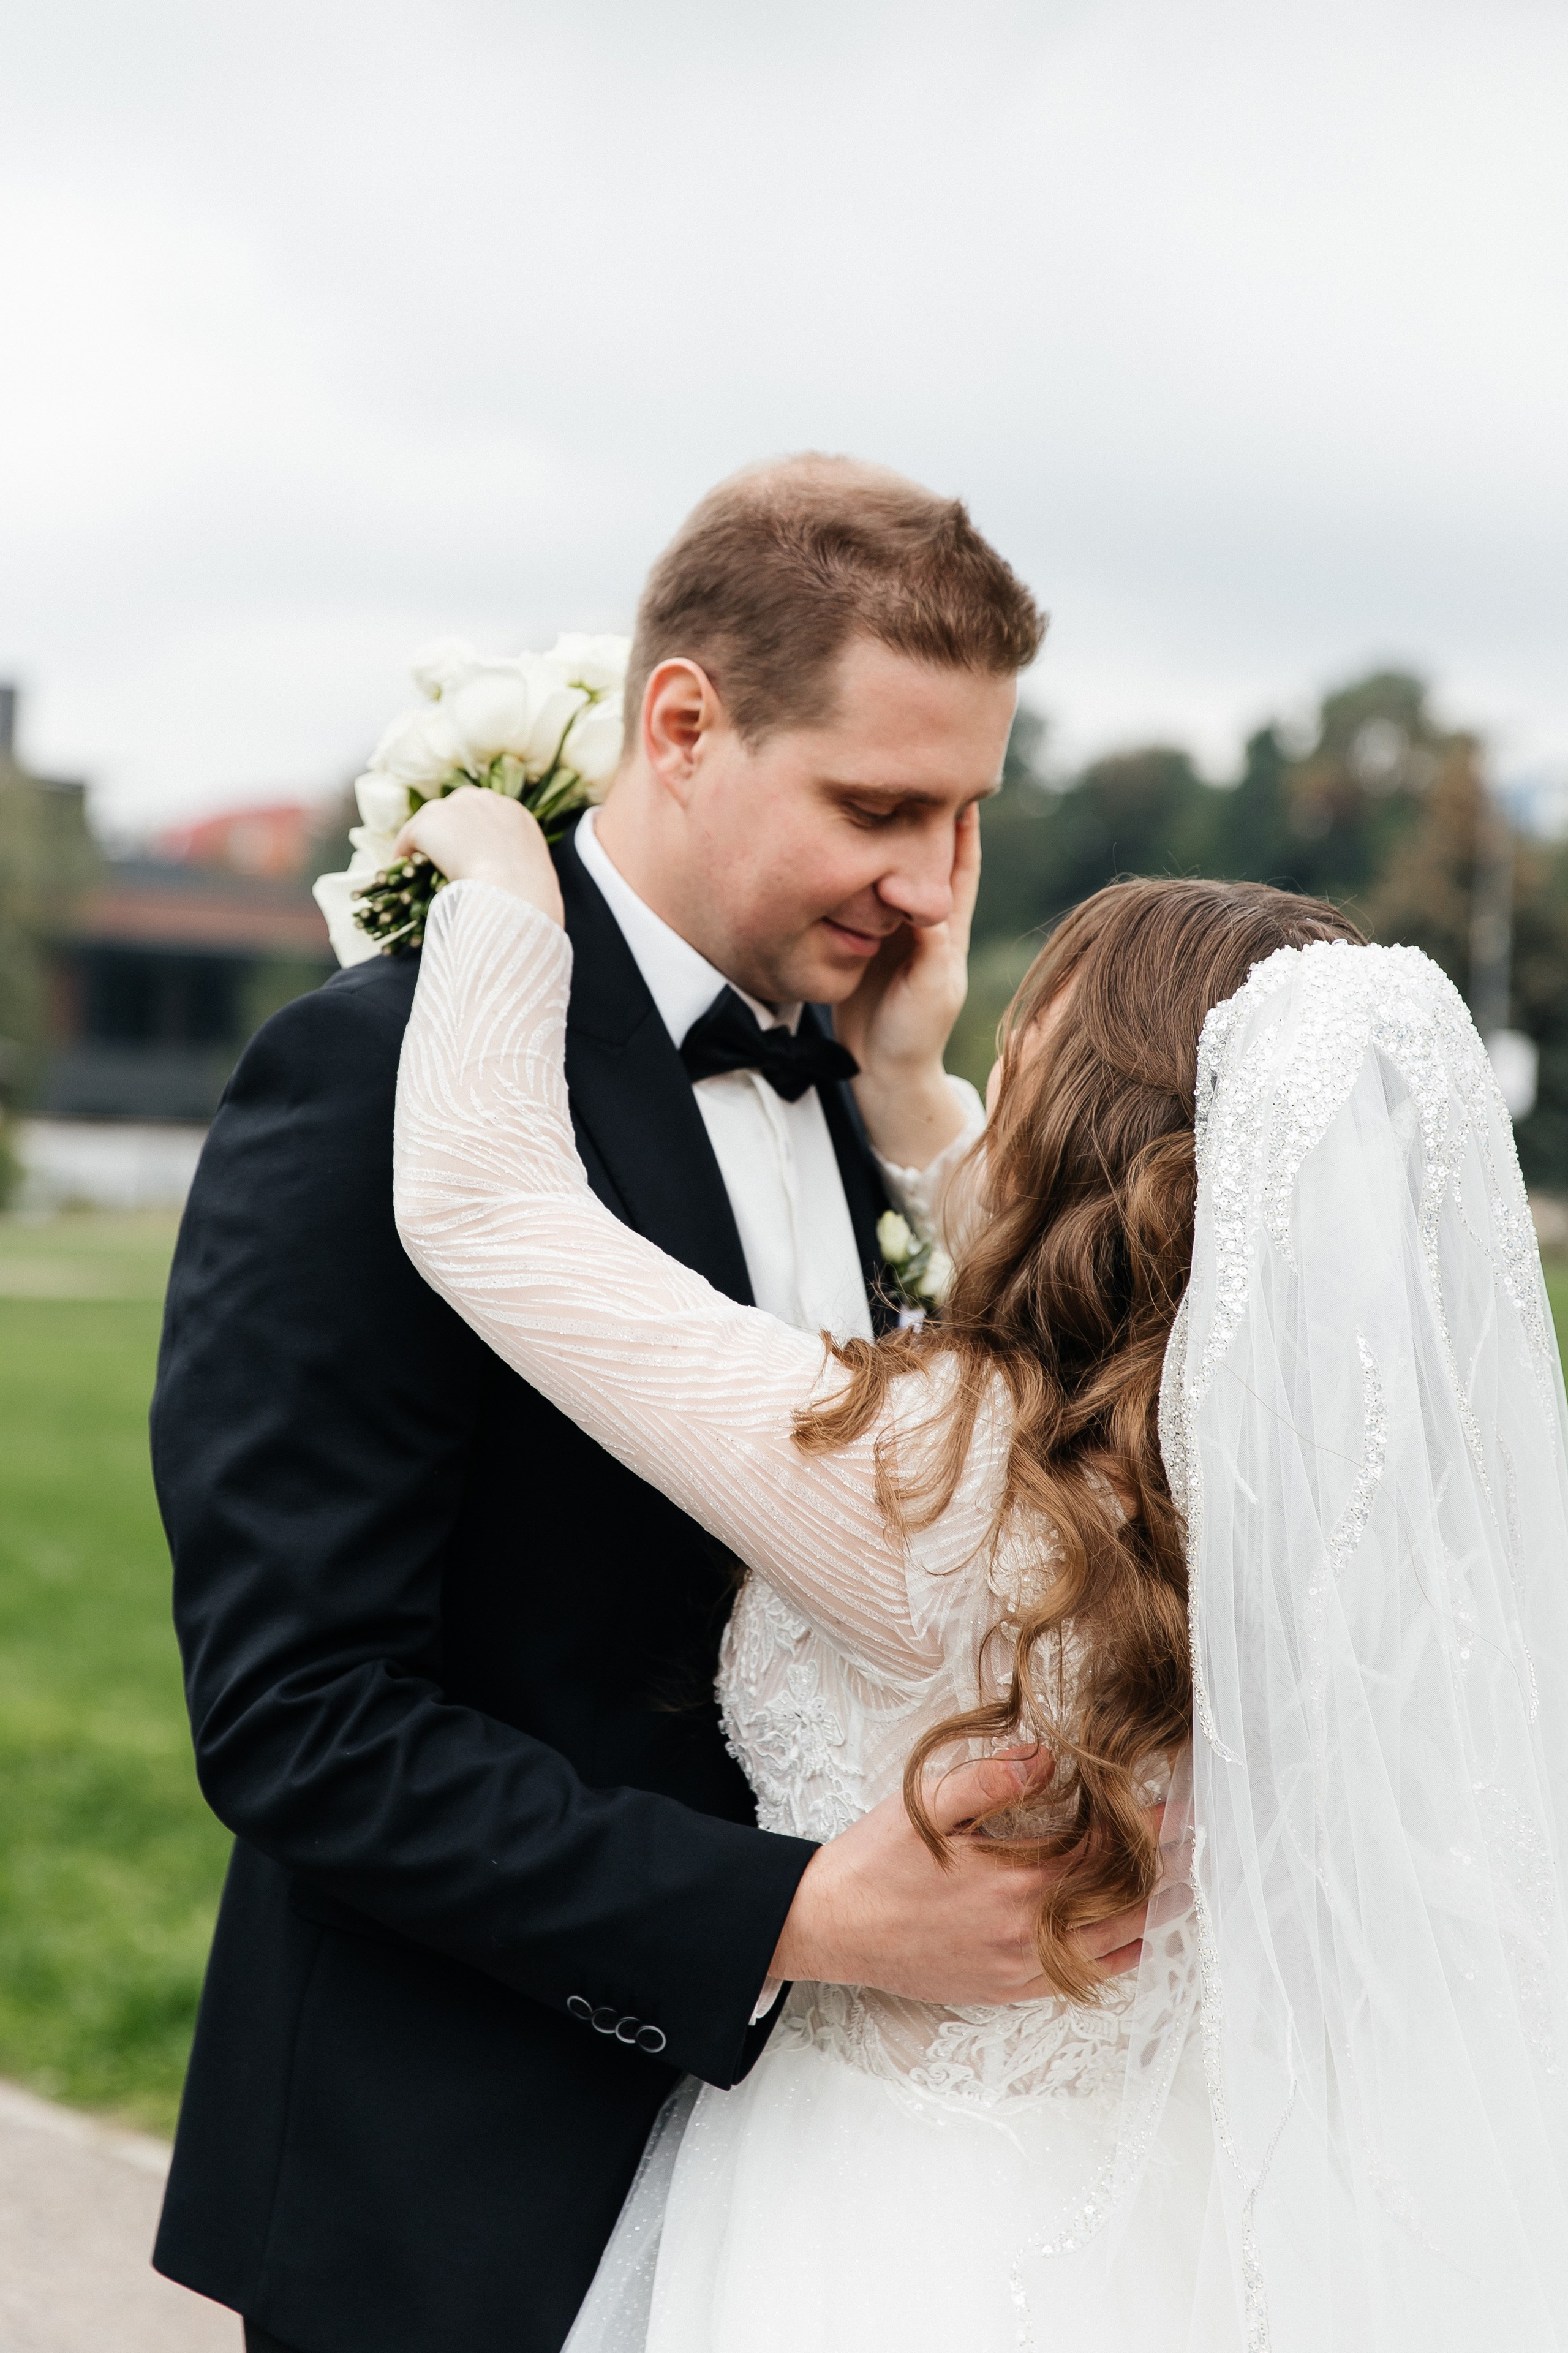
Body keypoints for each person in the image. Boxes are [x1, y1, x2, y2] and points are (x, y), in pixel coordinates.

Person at [151, 457, 1142, 2353]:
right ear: (682, 722)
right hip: (455, 2202)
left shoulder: (874, 1093)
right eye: (878, 806)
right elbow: (298, 1720)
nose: (934, 887)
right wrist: (798, 1916)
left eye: (967, 818)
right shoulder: (368, 1081)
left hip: (823, 2215)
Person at [390, 784, 1568, 2351]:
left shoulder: (930, 1476)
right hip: (1187, 2225)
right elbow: (1127, 1275)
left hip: (875, 2223)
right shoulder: (1337, 1496)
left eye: (1020, 1044)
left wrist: (500, 884)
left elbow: (485, 1206)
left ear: (1068, 1121)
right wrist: (904, 1082)